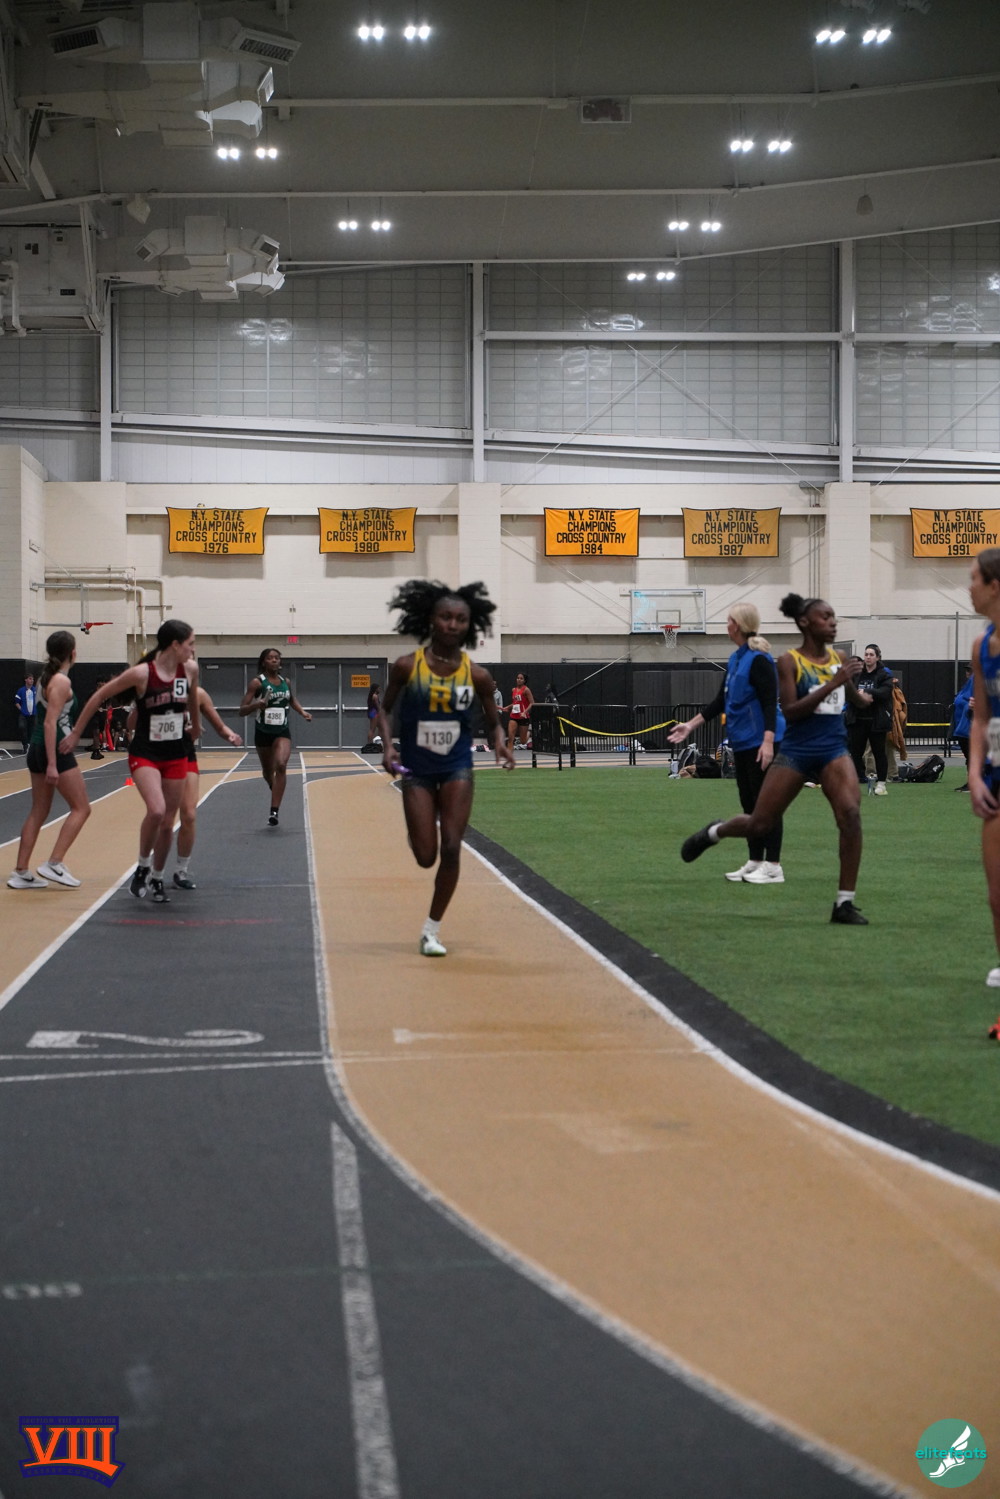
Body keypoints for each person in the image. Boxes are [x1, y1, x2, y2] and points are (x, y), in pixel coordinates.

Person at [680, 592, 869, 925]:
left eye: (834, 616)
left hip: (833, 749)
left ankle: (844, 903)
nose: (833, 622)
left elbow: (851, 695)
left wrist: (865, 697)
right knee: (759, 822)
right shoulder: (788, 662)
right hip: (796, 751)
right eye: (825, 617)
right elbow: (791, 711)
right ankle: (716, 831)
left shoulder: (839, 658)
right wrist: (833, 684)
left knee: (851, 816)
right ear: (805, 623)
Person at [374, 579, 514, 957]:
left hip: (456, 766)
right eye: (446, 617)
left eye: (460, 619)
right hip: (416, 770)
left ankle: (431, 930)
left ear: (470, 625)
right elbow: (384, 710)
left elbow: (493, 721)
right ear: (431, 621)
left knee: (452, 847)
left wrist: (500, 742)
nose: (453, 625)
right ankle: (418, 832)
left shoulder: (478, 675)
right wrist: (388, 746)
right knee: (426, 856)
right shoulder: (407, 667)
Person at [63, 619, 201, 905]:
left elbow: (192, 698)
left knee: (168, 823)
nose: (193, 649)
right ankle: (142, 865)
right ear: (175, 645)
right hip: (146, 753)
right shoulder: (142, 674)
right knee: (157, 810)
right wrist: (76, 733)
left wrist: (196, 726)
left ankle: (157, 877)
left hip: (176, 753)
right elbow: (100, 695)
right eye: (190, 644)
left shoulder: (189, 669)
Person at [668, 602, 786, 884]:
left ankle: (773, 866)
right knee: (749, 803)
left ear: (741, 625)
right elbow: (721, 701)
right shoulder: (735, 659)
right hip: (742, 741)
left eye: (730, 620)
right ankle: (755, 860)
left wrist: (768, 742)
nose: (727, 625)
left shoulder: (759, 659)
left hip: (761, 741)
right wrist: (690, 725)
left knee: (767, 804)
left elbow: (769, 703)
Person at [7, 633, 90, 889]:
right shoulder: (61, 681)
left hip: (37, 749)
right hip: (54, 749)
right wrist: (53, 763)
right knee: (82, 808)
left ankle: (21, 871)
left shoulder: (44, 677)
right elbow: (49, 722)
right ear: (73, 653)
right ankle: (54, 862)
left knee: (39, 811)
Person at [963, 550, 1000, 989]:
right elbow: (980, 719)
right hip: (995, 774)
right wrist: (973, 774)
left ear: (994, 586)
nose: (968, 587)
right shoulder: (981, 646)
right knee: (996, 892)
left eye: (974, 579)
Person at [173, 685, 243, 890]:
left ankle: (181, 870)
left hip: (185, 754)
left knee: (189, 814)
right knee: (161, 816)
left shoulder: (199, 694)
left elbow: (219, 726)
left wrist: (230, 735)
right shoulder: (157, 690)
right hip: (158, 755)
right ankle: (149, 868)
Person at [239, 648, 312, 826]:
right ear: (264, 662)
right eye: (270, 658)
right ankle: (275, 788)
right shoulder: (257, 683)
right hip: (263, 732)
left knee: (281, 765)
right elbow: (242, 710)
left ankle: (274, 811)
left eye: (277, 658)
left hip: (281, 731)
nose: (274, 660)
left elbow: (292, 699)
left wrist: (302, 712)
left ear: (280, 661)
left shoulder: (285, 682)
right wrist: (257, 705)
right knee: (267, 772)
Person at [845, 643, 893, 795]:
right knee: (855, 753)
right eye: (866, 654)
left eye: (871, 655)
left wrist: (867, 692)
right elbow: (847, 690)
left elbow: (885, 692)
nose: (868, 657)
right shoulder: (857, 674)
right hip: (858, 720)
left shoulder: (884, 675)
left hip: (876, 720)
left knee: (879, 753)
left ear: (877, 657)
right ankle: (854, 782)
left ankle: (881, 784)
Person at [951, 667, 974, 792]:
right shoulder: (967, 685)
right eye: (967, 670)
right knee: (969, 757)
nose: (967, 672)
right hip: (962, 727)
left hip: (970, 727)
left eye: (970, 670)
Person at [506, 671, 534, 752]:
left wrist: (525, 712)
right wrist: (508, 707)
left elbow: (532, 703)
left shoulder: (526, 690)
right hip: (514, 716)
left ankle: (529, 732)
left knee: (523, 741)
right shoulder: (514, 690)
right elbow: (515, 703)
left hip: (523, 717)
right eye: (518, 678)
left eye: (521, 678)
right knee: (510, 738)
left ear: (524, 681)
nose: (519, 680)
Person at [14, 673, 36, 754]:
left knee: (33, 730)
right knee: (22, 727)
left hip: (33, 714)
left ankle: (31, 746)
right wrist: (22, 710)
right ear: (25, 680)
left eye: (33, 679)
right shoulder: (21, 690)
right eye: (30, 679)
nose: (32, 680)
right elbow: (17, 702)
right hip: (24, 714)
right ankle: (25, 745)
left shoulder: (35, 690)